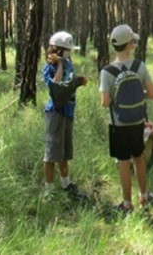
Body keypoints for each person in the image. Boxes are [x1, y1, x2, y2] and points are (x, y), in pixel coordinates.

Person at [100, 24, 153, 212]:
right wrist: (137, 94)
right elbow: (152, 93)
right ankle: (144, 195)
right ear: (130, 45)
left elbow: (105, 102)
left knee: (123, 163)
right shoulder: (139, 66)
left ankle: (126, 203)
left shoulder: (107, 72)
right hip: (137, 122)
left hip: (118, 124)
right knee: (138, 158)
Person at [42, 31, 88, 198]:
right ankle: (48, 191)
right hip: (55, 113)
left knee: (64, 152)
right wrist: (59, 64)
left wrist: (78, 82)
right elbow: (56, 85)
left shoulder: (68, 63)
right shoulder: (50, 67)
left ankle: (66, 184)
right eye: (67, 50)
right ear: (58, 50)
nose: (70, 53)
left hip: (68, 113)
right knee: (51, 153)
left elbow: (69, 84)